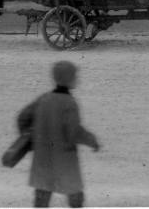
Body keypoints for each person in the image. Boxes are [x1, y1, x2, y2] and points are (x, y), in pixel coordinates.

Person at [17, 60, 100, 208]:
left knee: (42, 195)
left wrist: (29, 137)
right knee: (75, 195)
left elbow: (23, 117)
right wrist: (92, 140)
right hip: (65, 159)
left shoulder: (44, 99)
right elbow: (74, 132)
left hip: (43, 156)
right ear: (70, 80)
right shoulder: (69, 103)